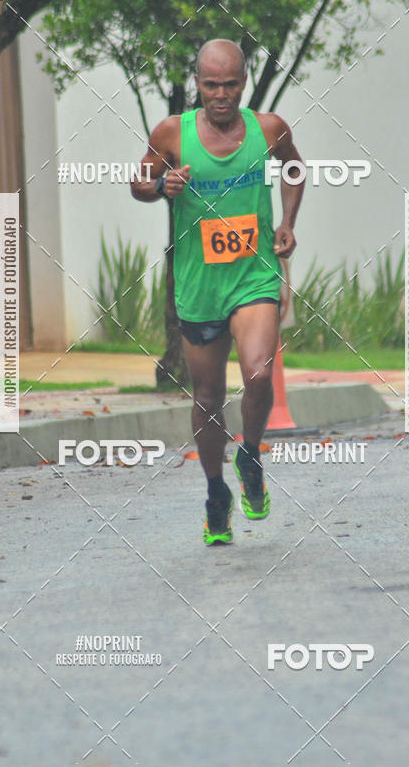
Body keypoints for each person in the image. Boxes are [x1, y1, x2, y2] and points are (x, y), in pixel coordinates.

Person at [131, 38, 304, 545]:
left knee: (257, 371)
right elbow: (139, 182)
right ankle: (215, 493)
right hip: (200, 284)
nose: (221, 95)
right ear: (198, 85)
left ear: (243, 82)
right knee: (207, 398)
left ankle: (249, 454)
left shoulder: (268, 129)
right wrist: (162, 186)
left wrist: (288, 222)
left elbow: (294, 169)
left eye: (230, 84)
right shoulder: (172, 133)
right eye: (211, 85)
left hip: (254, 277)